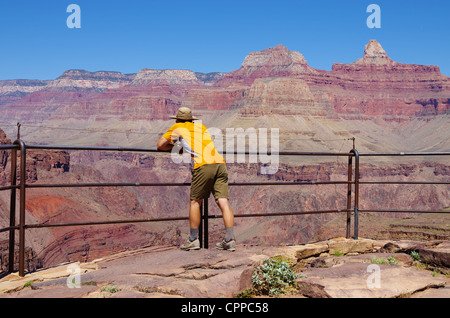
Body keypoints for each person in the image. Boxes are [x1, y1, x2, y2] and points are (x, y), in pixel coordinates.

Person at [157, 107, 235, 251]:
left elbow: (160, 145)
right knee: (223, 201)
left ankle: (193, 240)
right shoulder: (201, 126)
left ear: (178, 119)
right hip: (219, 163)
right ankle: (229, 240)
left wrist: (177, 148)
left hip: (204, 165)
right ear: (191, 119)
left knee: (195, 202)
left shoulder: (177, 127)